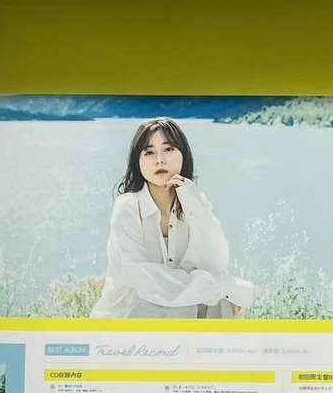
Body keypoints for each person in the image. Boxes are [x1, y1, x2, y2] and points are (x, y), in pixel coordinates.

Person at [91, 117, 251, 319]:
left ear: (183, 155)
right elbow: (144, 279)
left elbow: (215, 263)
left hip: (178, 312)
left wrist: (192, 200)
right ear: (137, 162)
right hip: (129, 315)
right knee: (204, 301)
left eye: (168, 149)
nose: (159, 159)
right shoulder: (128, 207)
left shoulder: (195, 202)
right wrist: (221, 289)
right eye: (149, 152)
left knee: (218, 303)